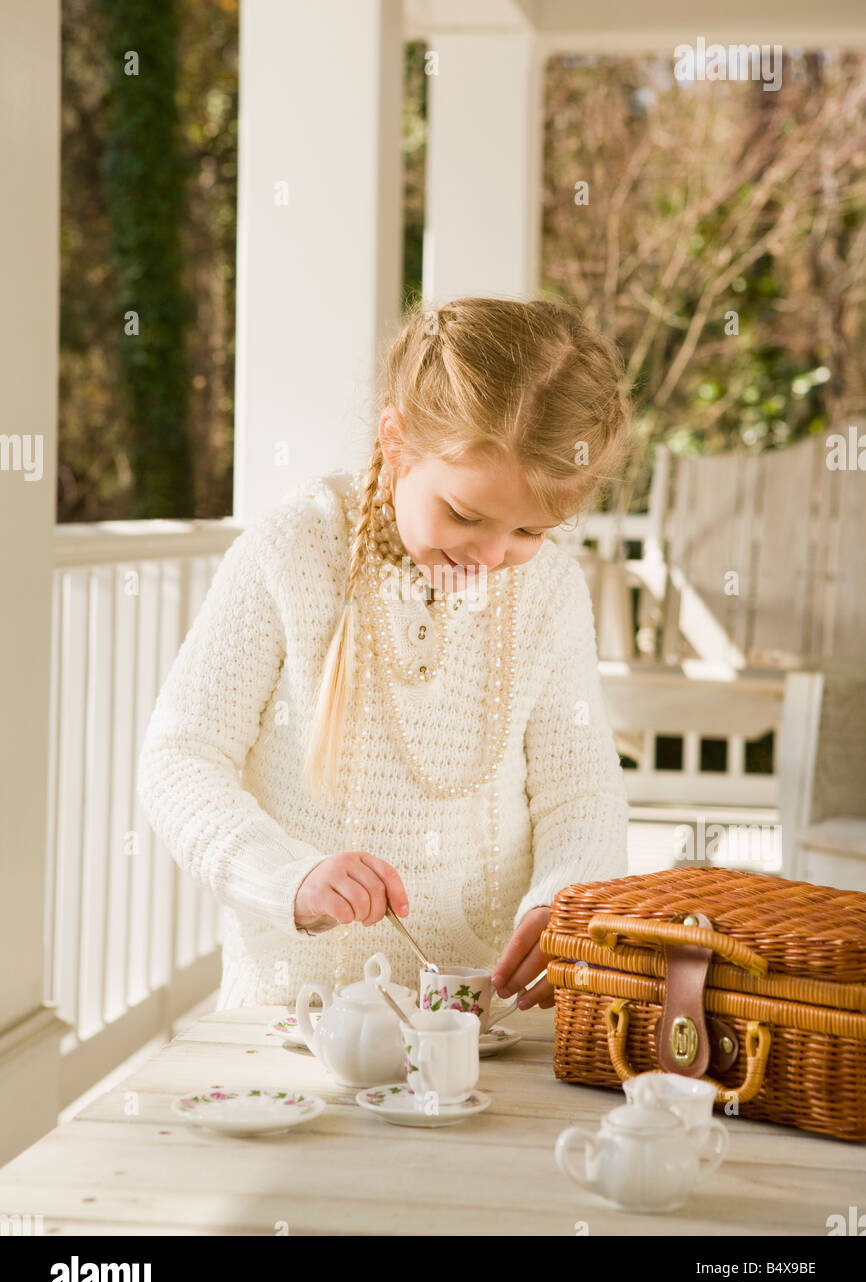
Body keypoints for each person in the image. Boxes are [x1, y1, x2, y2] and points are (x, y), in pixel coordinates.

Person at [136, 296, 631, 1012]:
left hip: (483, 1036)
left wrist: (565, 901)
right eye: (464, 514)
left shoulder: (550, 593)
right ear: (396, 443)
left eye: (531, 531)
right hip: (296, 1026)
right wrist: (287, 879)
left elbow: (580, 793)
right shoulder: (295, 551)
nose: (492, 555)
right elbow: (179, 758)